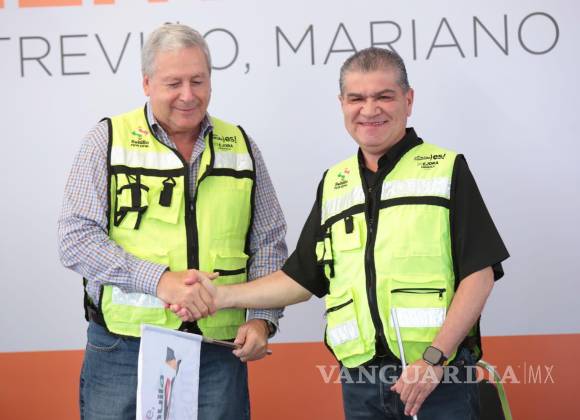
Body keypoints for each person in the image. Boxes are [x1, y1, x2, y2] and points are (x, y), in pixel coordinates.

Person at [174, 47, 509, 419]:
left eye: (384, 96)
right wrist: (220, 296)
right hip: (361, 382)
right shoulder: (336, 182)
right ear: (342, 104)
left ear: (408, 100)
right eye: (357, 98)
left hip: (437, 378)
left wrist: (433, 359)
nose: (370, 109)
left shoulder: (445, 169)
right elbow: (299, 279)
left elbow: (479, 275)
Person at [57, 23, 287, 420]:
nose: (188, 95)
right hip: (123, 349)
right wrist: (161, 280)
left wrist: (262, 320)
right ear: (147, 83)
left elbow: (268, 241)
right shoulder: (107, 141)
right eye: (173, 83)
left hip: (219, 350)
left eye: (198, 81)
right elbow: (75, 238)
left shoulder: (241, 146)